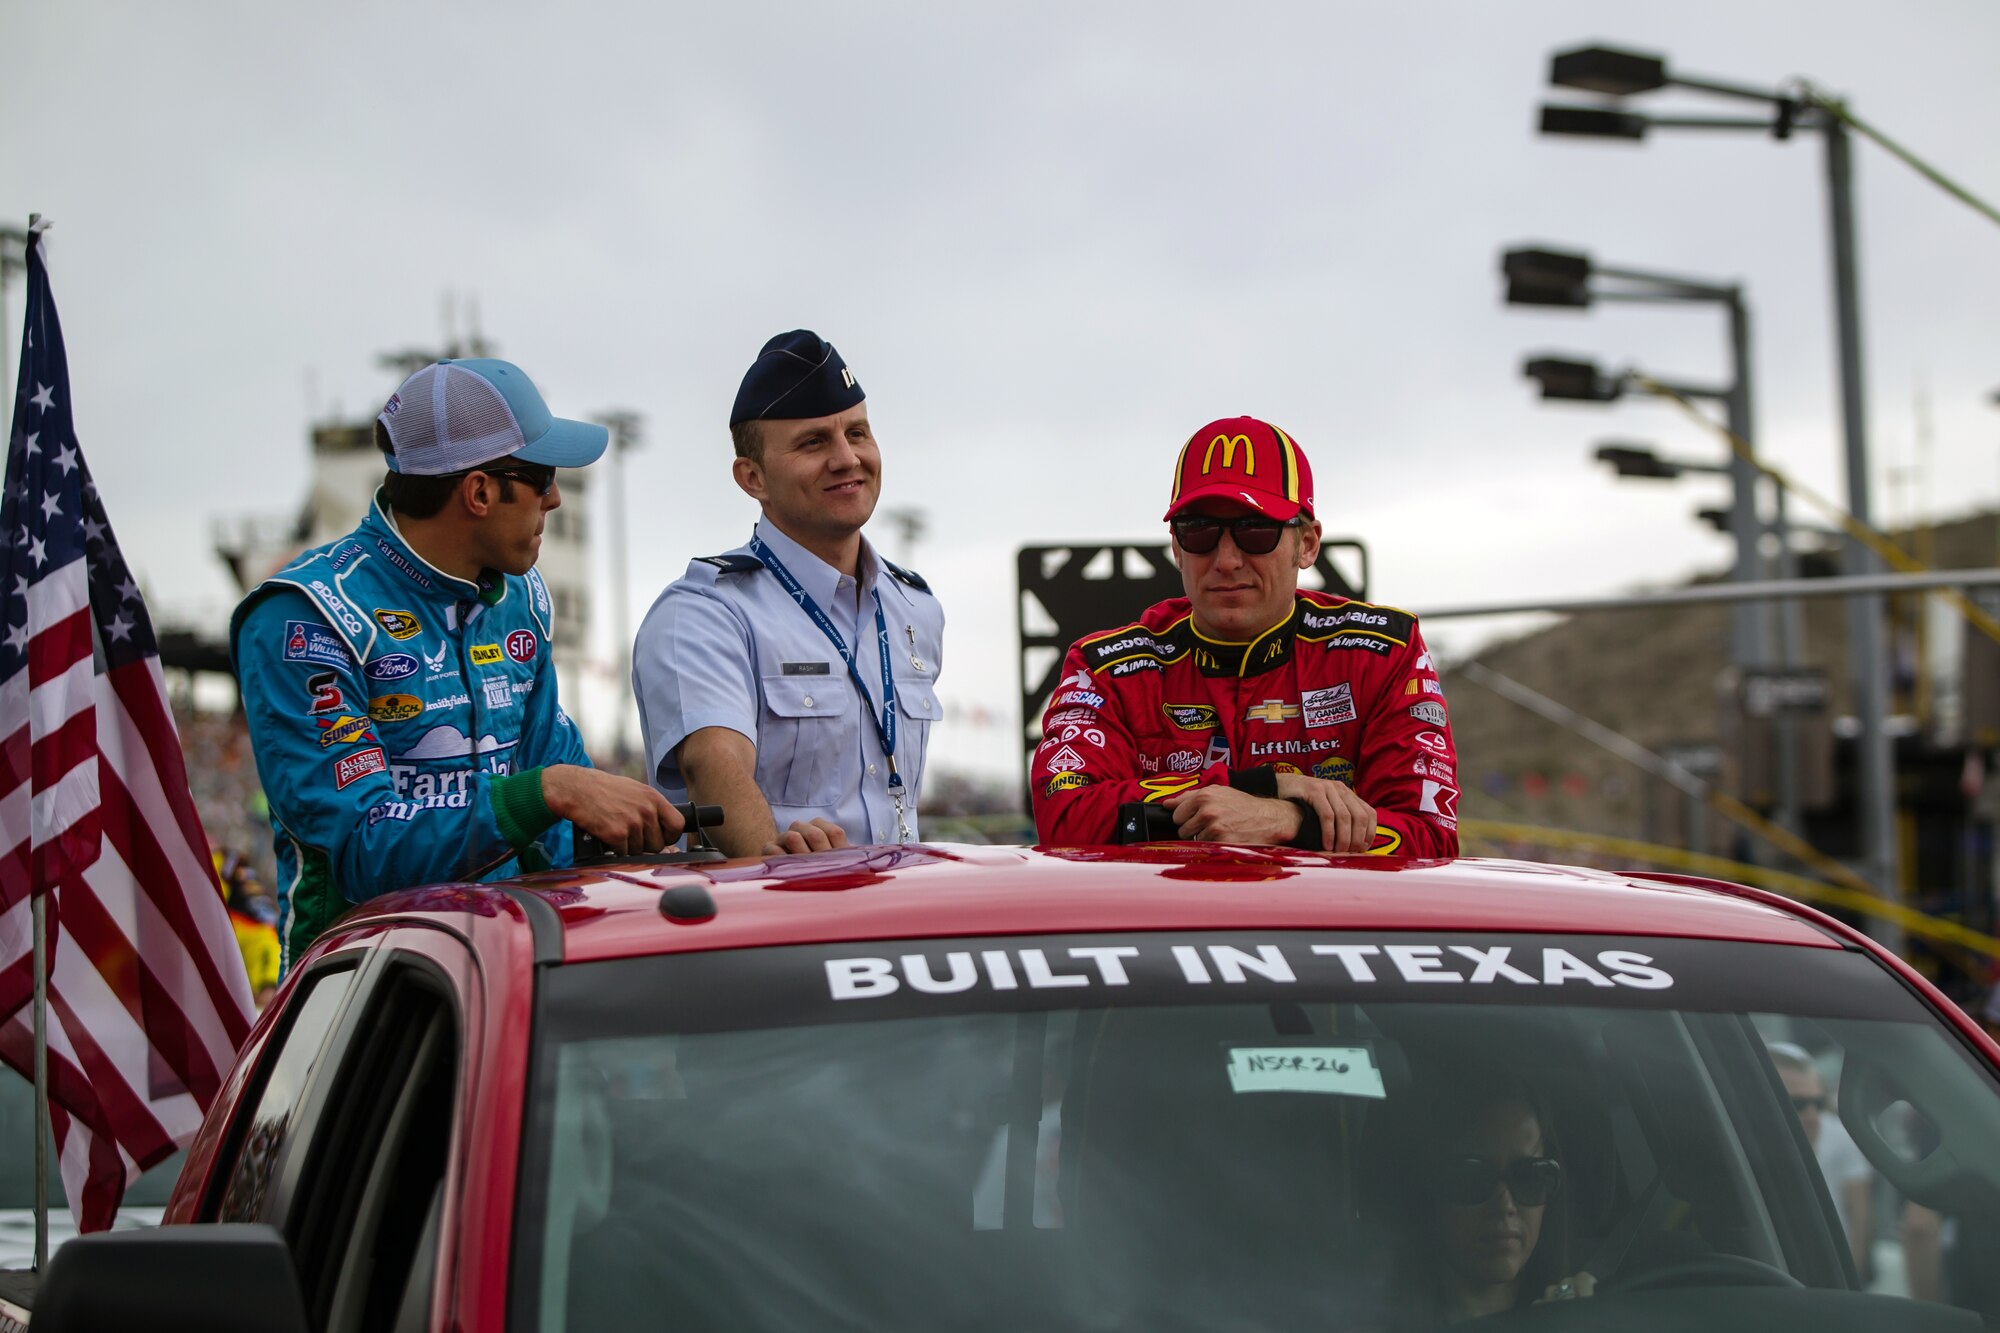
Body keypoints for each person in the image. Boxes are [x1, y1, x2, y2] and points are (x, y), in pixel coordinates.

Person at [232, 358, 683, 973]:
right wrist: (546, 794)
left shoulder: (520, 597)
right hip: (362, 990)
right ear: (478, 492)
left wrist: (698, 847)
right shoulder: (307, 616)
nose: (554, 499)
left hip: (511, 967)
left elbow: (564, 793)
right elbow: (362, 851)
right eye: (543, 477)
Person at [1030, 416, 1458, 854]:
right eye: (1200, 532)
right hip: (1169, 920)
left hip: (1324, 921)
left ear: (1307, 544)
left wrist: (1286, 821)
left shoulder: (1383, 651)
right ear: (1176, 547)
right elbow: (1063, 820)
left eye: (1256, 530)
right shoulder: (1105, 667)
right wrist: (1269, 785)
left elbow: (1431, 841)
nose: (1227, 559)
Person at [633, 330, 944, 858]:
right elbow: (714, 765)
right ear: (752, 478)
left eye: (858, 433)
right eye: (814, 442)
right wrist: (776, 865)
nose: (848, 458)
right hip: (776, 927)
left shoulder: (916, 606)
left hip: (898, 918)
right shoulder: (706, 613)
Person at [1379, 1072, 1594, 1324]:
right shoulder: (1365, 1318)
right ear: (1429, 1191)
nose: (1504, 1205)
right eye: (1473, 1177)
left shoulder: (1595, 1312)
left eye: (1530, 1177)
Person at [1767, 1042, 1873, 1275]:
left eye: (1817, 1103)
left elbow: (1859, 1211)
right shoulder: (1741, 1149)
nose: (1812, 1115)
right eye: (1797, 1105)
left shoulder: (1840, 1135)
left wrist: (1853, 1277)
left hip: (1831, 1267)